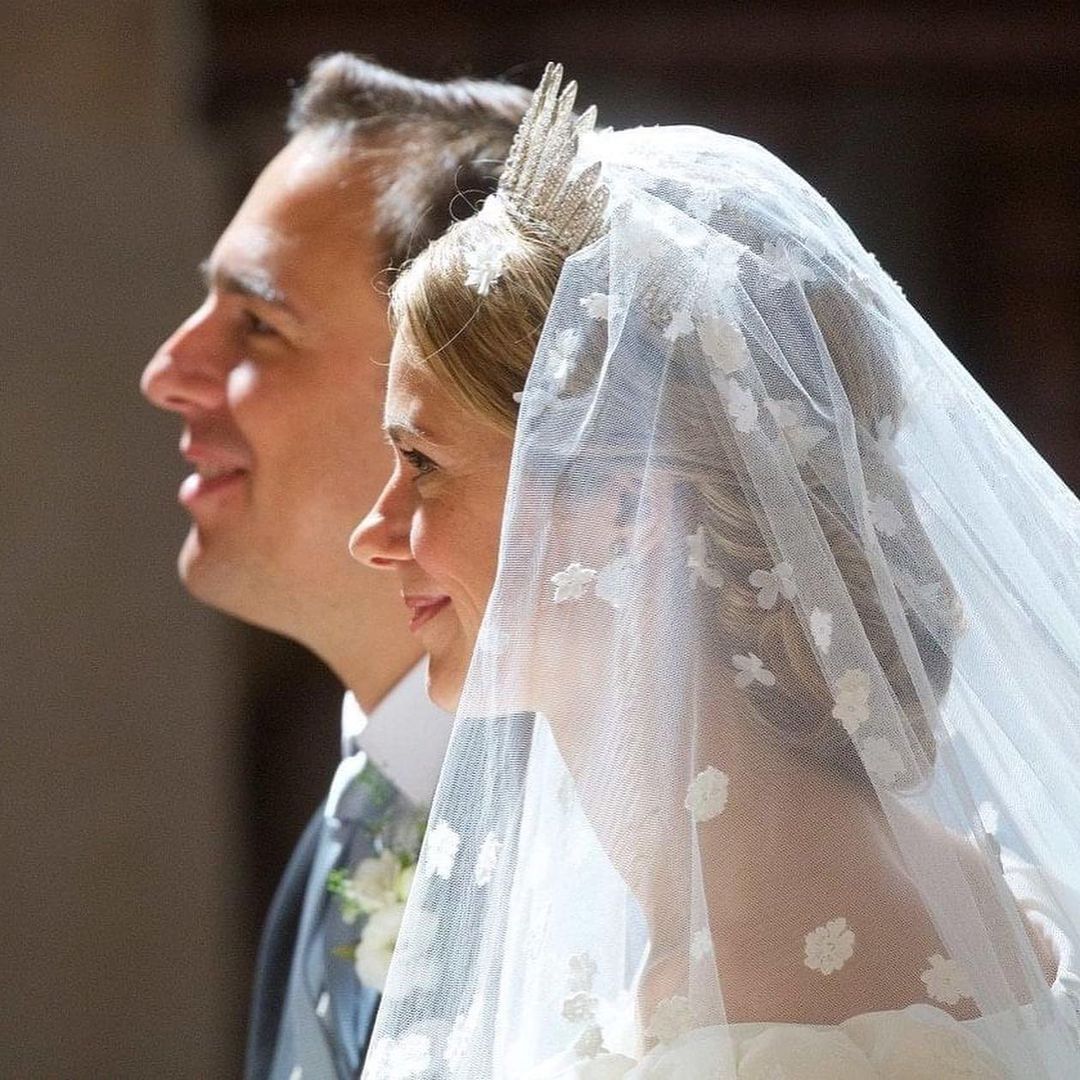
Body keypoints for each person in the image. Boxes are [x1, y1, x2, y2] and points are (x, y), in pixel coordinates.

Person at [349, 65, 1080, 1078]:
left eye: (422, 462)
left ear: (626, 506)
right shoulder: (992, 905)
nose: (374, 532)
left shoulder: (745, 1031)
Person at [140, 55, 529, 1079]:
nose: (165, 374)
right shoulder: (349, 825)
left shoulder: (642, 863)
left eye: (258, 323)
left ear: (444, 384)